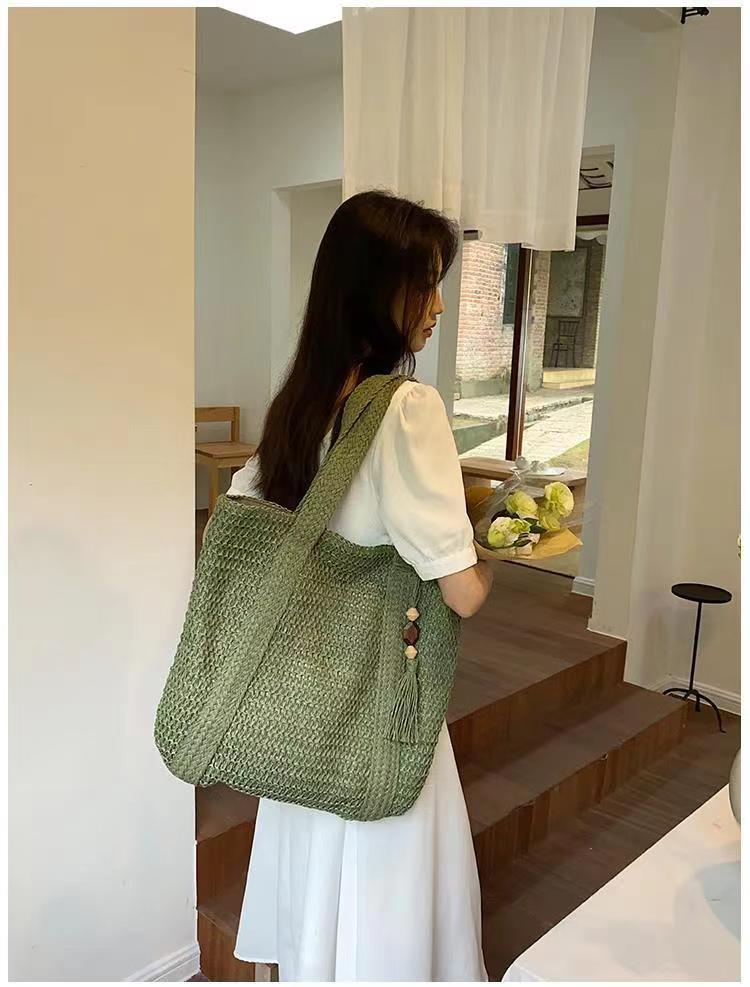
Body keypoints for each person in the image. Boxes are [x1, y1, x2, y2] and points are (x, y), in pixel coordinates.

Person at [225, 190, 494, 982]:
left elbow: (245, 521)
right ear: (378, 289)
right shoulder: (406, 410)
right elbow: (463, 593)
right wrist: (494, 548)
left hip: (302, 704)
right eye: (427, 284)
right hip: (379, 701)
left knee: (316, 882)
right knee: (385, 888)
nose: (438, 307)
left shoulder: (299, 405)